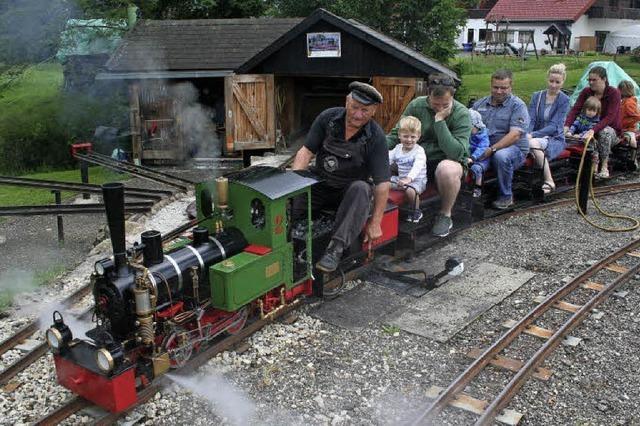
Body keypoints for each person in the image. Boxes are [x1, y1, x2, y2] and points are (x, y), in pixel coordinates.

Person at [292, 81, 390, 273]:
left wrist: (376, 222)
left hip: (349, 192)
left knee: (362, 188)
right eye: (354, 107)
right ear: (347, 102)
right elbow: (305, 152)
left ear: (374, 111)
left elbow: (383, 183)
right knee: (290, 202)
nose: (357, 114)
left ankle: (335, 250)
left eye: (365, 110)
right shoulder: (327, 118)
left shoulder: (376, 137)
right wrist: (293, 187)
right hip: (320, 182)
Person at [386, 73, 471, 237]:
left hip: (446, 161)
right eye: (435, 104)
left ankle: (445, 214)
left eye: (444, 105)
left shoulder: (461, 113)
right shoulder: (416, 106)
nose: (439, 108)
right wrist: (376, 149)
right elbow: (397, 134)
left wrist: (440, 120)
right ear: (428, 95)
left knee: (447, 169)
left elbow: (455, 152)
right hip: (417, 160)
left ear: (452, 97)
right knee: (385, 158)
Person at [473, 69, 530, 209]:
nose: (499, 91)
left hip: (513, 149)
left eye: (503, 88)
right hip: (485, 148)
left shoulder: (518, 106)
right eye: (495, 87)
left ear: (511, 87)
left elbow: (515, 135)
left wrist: (492, 149)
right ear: (491, 86)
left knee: (501, 156)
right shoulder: (479, 105)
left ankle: (506, 196)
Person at [564, 66, 621, 179]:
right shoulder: (586, 92)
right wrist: (567, 125)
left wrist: (592, 130)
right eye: (589, 80)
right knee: (573, 133)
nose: (591, 82)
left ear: (604, 79)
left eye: (594, 80)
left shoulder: (614, 93)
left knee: (604, 132)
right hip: (588, 129)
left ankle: (604, 165)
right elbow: (575, 109)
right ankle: (585, 166)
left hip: (610, 131)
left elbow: (610, 117)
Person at [527, 63, 571, 194]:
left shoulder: (564, 100)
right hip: (534, 134)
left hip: (553, 138)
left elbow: (554, 126)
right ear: (547, 79)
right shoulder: (537, 96)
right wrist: (528, 132)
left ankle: (549, 179)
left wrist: (532, 135)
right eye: (551, 81)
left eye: (557, 82)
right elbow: (531, 118)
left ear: (563, 82)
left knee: (532, 143)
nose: (553, 85)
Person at [388, 116, 428, 222]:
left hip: (417, 181)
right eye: (405, 136)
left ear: (418, 136)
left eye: (413, 137)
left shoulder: (419, 151)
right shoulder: (397, 149)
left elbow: (417, 167)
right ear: (399, 135)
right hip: (401, 179)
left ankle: (416, 211)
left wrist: (409, 179)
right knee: (382, 183)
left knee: (411, 191)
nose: (409, 140)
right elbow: (387, 159)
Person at [467, 109, 490, 198]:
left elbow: (482, 148)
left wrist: (473, 157)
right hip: (469, 156)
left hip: (481, 158)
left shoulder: (483, 136)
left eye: (470, 127)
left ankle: (477, 188)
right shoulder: (469, 134)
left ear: (477, 126)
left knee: (476, 168)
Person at [618, 80, 640, 170]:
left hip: (628, 129)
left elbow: (636, 116)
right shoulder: (622, 101)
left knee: (632, 141)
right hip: (620, 127)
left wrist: (629, 122)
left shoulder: (629, 103)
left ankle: (633, 160)